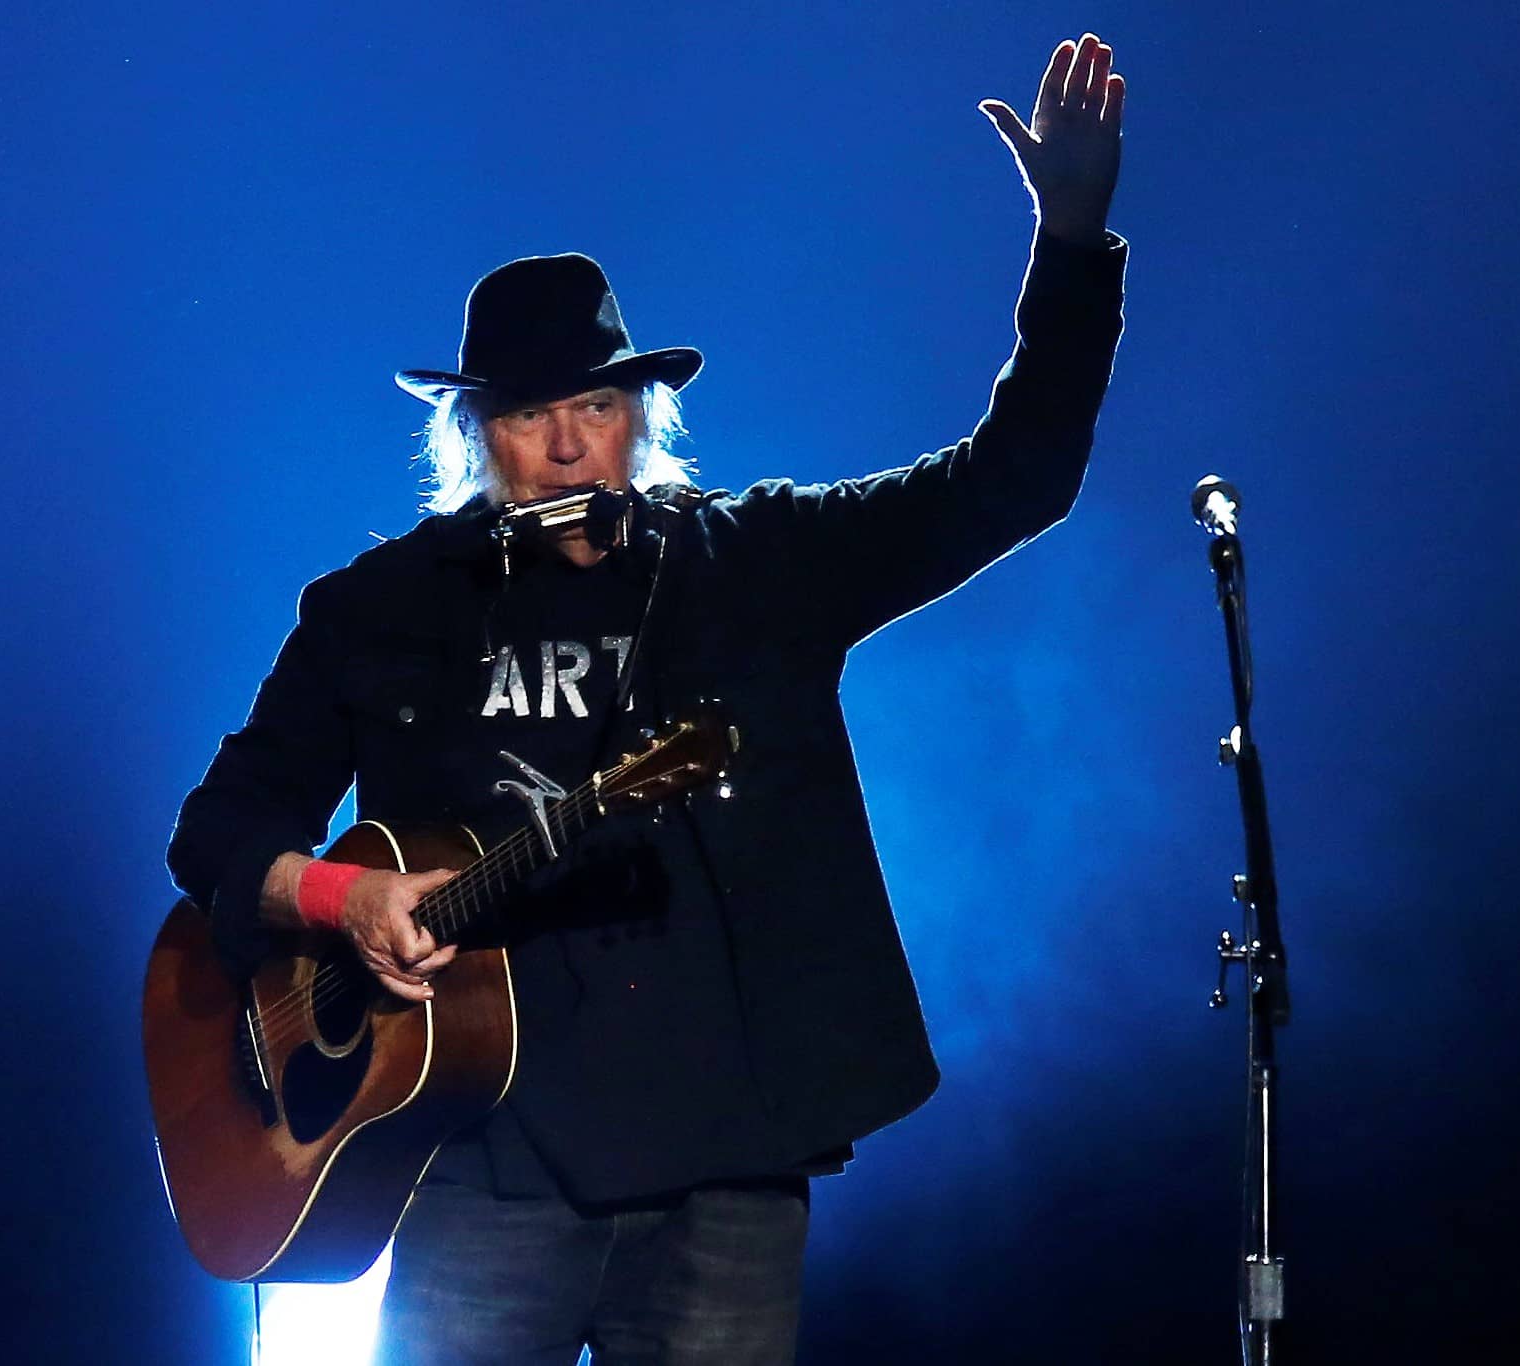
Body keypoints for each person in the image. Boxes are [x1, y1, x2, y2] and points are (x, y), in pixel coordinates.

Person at [167, 33, 1129, 1366]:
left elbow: (1013, 478)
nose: (566, 441)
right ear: (471, 431)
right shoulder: (375, 608)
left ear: (641, 412)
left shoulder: (760, 561)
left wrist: (1071, 248)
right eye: (526, 413)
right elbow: (216, 826)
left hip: (726, 1173)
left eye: (595, 405)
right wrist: (341, 900)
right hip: (476, 1162)